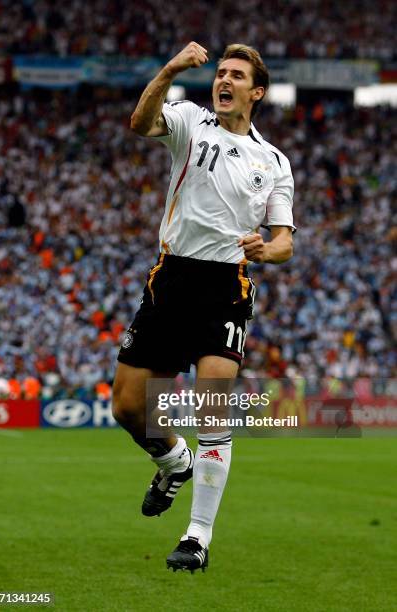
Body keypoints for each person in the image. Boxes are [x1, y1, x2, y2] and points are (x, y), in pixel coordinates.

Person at [112, 41, 295, 572]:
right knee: (127, 406)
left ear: (255, 92)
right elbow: (139, 123)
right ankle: (174, 461)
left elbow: (284, 241)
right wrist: (169, 68)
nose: (224, 80)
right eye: (220, 72)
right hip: (170, 278)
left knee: (212, 404)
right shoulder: (190, 122)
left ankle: (197, 537)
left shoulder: (274, 161)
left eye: (236, 75)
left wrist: (270, 249)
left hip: (225, 286)